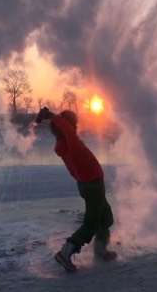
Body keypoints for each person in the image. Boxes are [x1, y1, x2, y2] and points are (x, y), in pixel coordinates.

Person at [35, 107, 117, 271]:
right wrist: (51, 116)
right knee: (92, 222)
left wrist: (83, 178)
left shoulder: (64, 144)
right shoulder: (70, 141)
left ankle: (101, 251)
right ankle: (65, 253)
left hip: (90, 184)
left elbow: (73, 170)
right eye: (73, 124)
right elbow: (66, 128)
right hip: (92, 185)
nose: (75, 127)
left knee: (105, 218)